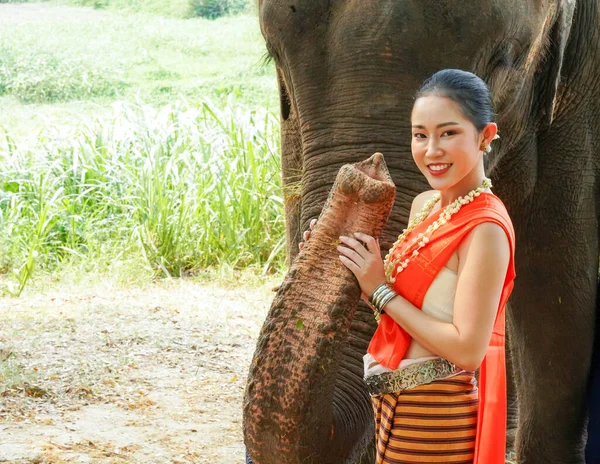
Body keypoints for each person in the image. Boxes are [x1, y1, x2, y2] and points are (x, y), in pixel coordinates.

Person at [300, 69, 516, 464]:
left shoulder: (486, 228)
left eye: (448, 133)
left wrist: (380, 289)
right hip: (390, 407)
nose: (431, 150)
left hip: (436, 415)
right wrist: (333, 256)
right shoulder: (426, 206)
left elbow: (468, 349)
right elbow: (406, 312)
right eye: (420, 134)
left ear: (485, 136)